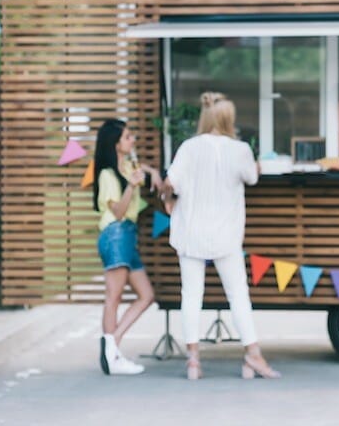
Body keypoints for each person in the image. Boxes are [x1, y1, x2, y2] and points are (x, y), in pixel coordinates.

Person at [163, 92, 280, 381]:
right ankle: (252, 355)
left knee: (191, 296)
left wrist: (168, 199)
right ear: (229, 120)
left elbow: (169, 182)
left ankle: (193, 361)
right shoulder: (239, 149)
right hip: (226, 234)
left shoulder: (189, 147)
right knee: (238, 295)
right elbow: (251, 177)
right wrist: (258, 166)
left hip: (190, 233)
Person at [93, 119, 164, 375]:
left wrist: (152, 172)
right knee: (114, 296)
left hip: (127, 236)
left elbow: (140, 168)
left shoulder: (126, 167)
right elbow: (120, 212)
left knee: (146, 295)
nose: (133, 140)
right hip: (116, 233)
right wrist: (132, 186)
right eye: (127, 137)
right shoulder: (108, 175)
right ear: (115, 144)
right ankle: (111, 355)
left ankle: (111, 345)